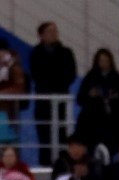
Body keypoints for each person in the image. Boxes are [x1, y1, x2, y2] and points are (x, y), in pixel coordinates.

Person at [28, 22, 76, 163]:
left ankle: (63, 166)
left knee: (62, 137)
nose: (54, 34)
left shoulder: (66, 52)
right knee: (45, 138)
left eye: (55, 31)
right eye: (50, 31)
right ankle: (45, 166)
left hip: (61, 101)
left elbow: (70, 74)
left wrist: (57, 82)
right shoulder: (36, 53)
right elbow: (37, 75)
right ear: (41, 35)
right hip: (43, 102)